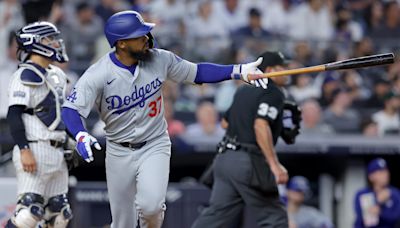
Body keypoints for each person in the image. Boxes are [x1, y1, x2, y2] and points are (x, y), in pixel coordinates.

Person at [61, 10, 269, 228]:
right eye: (139, 35)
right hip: (118, 149)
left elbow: (197, 72)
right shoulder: (99, 73)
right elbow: (71, 109)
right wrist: (81, 134)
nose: (146, 38)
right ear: (121, 44)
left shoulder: (160, 59)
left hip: (154, 143)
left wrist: (239, 70)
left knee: (150, 208)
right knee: (124, 224)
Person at [192, 51, 301, 228]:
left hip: (224, 159)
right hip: (248, 162)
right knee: (275, 218)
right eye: (283, 67)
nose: (287, 71)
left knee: (214, 218)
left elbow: (226, 123)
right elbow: (260, 125)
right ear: (271, 69)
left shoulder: (244, 90)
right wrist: (274, 165)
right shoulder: (274, 92)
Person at [5, 21, 73, 228]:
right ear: (35, 43)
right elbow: (14, 115)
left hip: (57, 150)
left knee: (60, 214)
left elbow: (61, 113)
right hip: (34, 148)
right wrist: (24, 149)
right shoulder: (22, 76)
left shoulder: (57, 75)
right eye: (48, 39)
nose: (54, 43)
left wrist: (69, 141)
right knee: (29, 212)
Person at [354, 158, 400, 228]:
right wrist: (378, 201)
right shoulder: (362, 194)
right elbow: (366, 220)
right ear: (371, 176)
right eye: (381, 172)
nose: (385, 174)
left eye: (386, 171)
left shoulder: (394, 193)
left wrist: (381, 212)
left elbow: (396, 217)